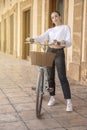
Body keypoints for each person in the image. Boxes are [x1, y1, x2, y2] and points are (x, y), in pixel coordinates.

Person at [26, 11, 73, 112]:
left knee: (62, 77)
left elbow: (69, 42)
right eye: (52, 17)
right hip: (49, 51)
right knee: (50, 77)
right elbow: (41, 37)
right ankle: (52, 97)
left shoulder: (65, 27)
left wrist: (64, 42)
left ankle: (68, 101)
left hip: (59, 52)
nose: (54, 18)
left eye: (56, 16)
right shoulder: (50, 30)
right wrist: (33, 39)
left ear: (60, 16)